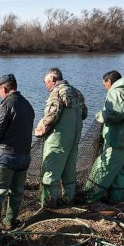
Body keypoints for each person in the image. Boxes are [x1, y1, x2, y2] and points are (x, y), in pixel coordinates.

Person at [0, 74, 35, 230]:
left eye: (0, 91)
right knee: (16, 192)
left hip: (6, 157)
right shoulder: (27, 105)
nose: (0, 94)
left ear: (4, 88)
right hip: (24, 157)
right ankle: (10, 222)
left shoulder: (6, 104)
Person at [83, 71, 124, 204]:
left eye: (105, 85)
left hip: (121, 142)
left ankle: (89, 199)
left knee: (103, 169)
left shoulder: (115, 92)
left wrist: (100, 116)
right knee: (123, 174)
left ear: (109, 82)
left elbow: (116, 114)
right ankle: (115, 201)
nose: (105, 88)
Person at [34, 68, 87, 207]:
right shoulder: (76, 92)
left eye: (46, 82)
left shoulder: (57, 91)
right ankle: (69, 202)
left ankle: (48, 206)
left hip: (58, 139)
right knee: (69, 174)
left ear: (52, 79)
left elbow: (52, 114)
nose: (46, 85)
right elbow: (84, 114)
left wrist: (40, 129)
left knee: (49, 173)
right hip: (74, 139)